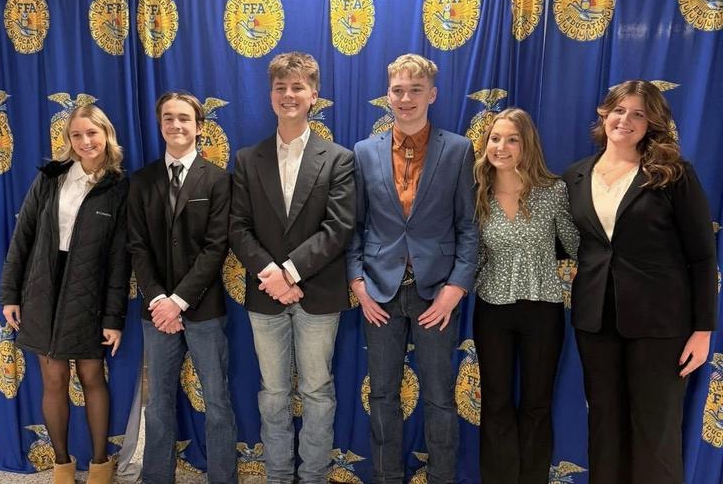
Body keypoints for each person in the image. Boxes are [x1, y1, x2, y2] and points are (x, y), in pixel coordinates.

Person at [563, 80, 718, 484]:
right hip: (596, 323)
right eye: (619, 110)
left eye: (638, 113)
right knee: (604, 428)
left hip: (661, 326)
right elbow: (567, 244)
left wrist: (703, 329)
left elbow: (702, 256)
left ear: (652, 122)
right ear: (604, 114)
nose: (626, 120)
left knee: (656, 431)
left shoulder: (673, 174)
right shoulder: (576, 176)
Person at [346, 53, 478, 482]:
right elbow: (355, 226)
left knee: (440, 397)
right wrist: (358, 285)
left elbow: (468, 227)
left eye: (415, 90)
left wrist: (455, 289)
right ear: (388, 95)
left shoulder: (457, 149)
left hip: (436, 294)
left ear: (432, 94)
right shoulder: (363, 153)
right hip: (379, 294)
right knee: (383, 395)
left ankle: (442, 477)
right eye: (398, 90)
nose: (406, 98)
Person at [229, 51, 355, 483]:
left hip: (318, 294)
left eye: (297, 87)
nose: (289, 95)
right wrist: (272, 275)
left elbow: (338, 228)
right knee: (273, 394)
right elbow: (238, 226)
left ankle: (315, 476)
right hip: (265, 296)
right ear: (270, 96)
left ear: (314, 95)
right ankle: (279, 476)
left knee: (318, 393)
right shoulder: (248, 159)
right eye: (281, 87)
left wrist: (290, 273)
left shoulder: (338, 158)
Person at [0, 104, 129, 484]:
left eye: (92, 133)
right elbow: (22, 237)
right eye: (77, 135)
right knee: (53, 378)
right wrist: (11, 293)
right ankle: (62, 466)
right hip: (43, 288)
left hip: (89, 293)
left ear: (106, 134)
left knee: (92, 376)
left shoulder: (119, 186)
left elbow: (121, 260)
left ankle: (101, 466)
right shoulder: (51, 178)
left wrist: (113, 318)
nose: (85, 141)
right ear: (68, 140)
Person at [128, 92, 236, 484]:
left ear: (199, 126)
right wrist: (160, 299)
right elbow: (137, 246)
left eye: (184, 119)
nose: (176, 125)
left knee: (218, 400)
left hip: (204, 308)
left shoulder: (218, 179)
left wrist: (180, 300)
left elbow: (215, 248)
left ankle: (223, 477)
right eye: (169, 118)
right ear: (160, 125)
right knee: (157, 403)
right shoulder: (141, 181)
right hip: (155, 312)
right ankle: (157, 477)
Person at [472, 108, 579, 484]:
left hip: (543, 311)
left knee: (536, 404)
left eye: (512, 139)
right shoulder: (478, 193)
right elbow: (471, 255)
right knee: (497, 403)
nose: (502, 147)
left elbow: (576, 246)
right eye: (495, 138)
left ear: (526, 144)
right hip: (492, 311)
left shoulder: (553, 192)